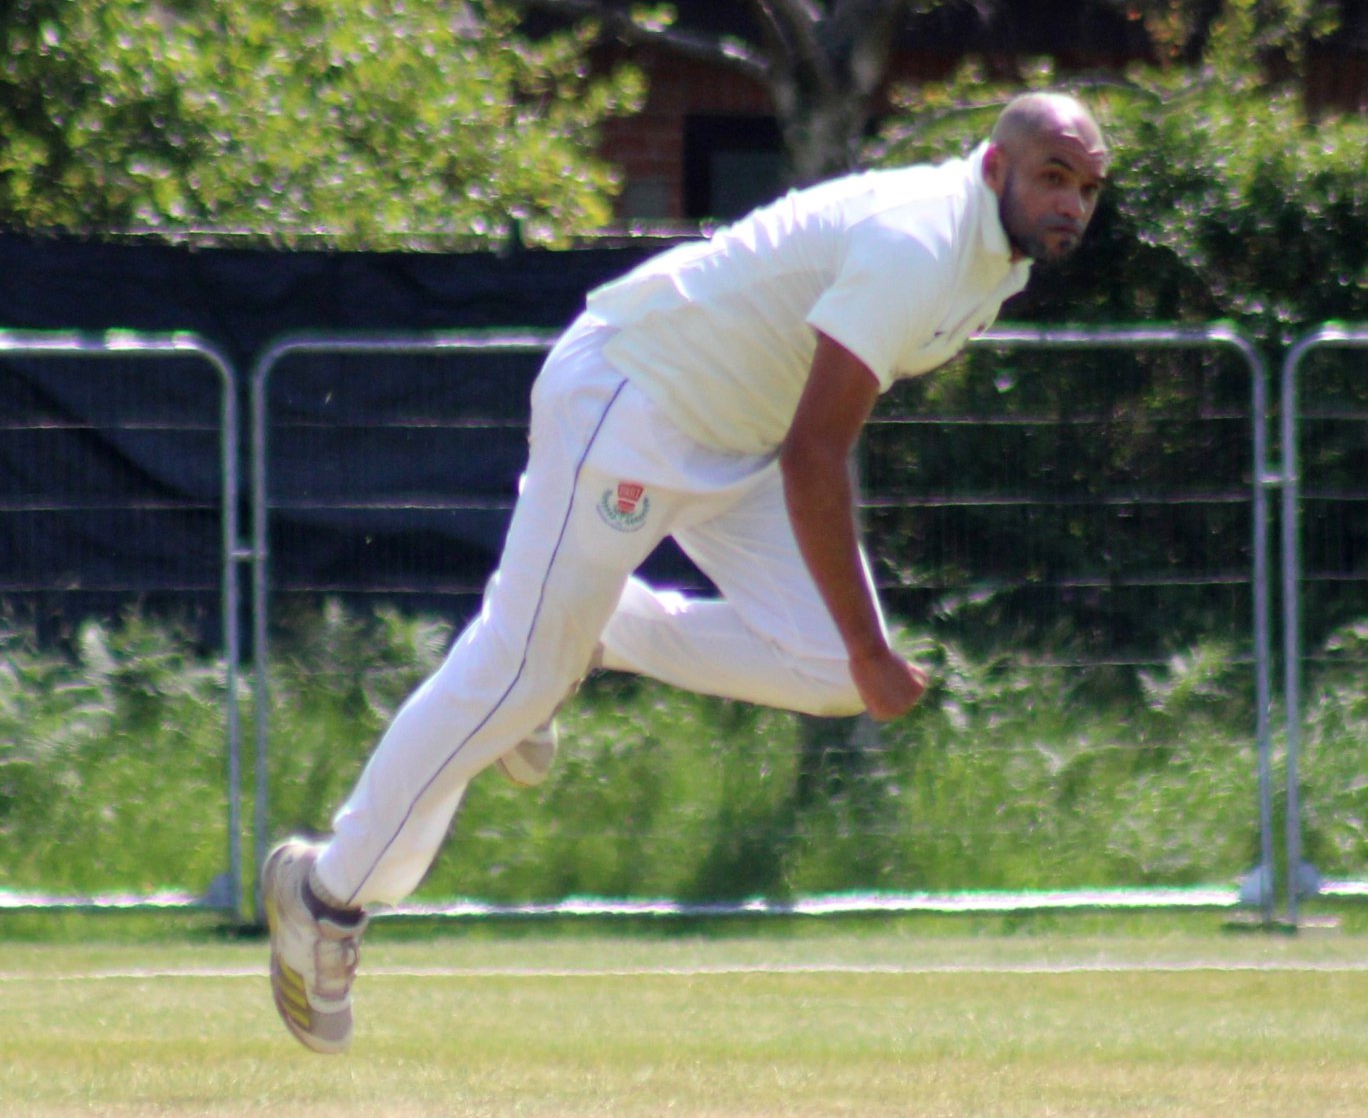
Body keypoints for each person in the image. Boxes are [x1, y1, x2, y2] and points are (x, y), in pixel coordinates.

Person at [261, 91, 1110, 1053]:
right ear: (994, 167)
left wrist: (860, 655)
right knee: (519, 671)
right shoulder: (918, 240)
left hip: (738, 444)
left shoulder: (998, 263)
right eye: (1053, 177)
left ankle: (590, 627)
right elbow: (817, 456)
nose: (1071, 203)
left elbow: (800, 429)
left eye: (1086, 187)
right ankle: (324, 894)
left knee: (830, 668)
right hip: (634, 400)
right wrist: (877, 648)